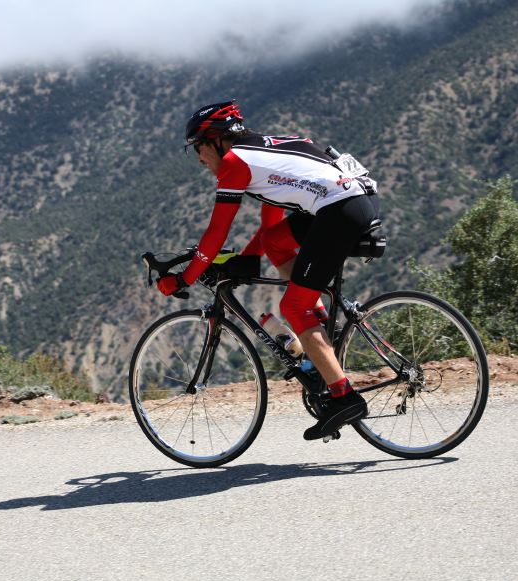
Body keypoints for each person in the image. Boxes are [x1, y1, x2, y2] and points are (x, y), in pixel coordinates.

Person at [156, 100, 381, 440]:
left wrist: (182, 278)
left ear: (216, 140)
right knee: (276, 243)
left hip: (340, 211)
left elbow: (216, 232)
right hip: (348, 201)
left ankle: (344, 397)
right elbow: (270, 228)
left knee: (292, 306)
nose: (200, 160)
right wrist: (244, 260)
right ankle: (316, 329)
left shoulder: (235, 163)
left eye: (198, 149)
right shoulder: (261, 149)